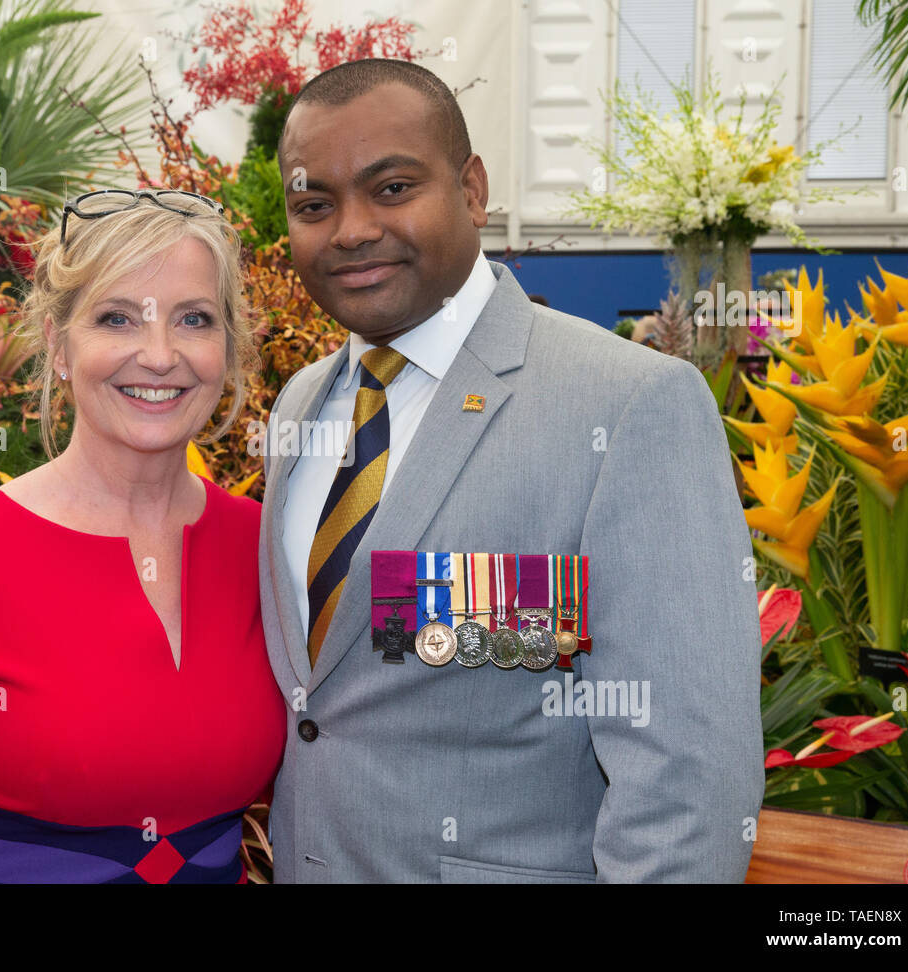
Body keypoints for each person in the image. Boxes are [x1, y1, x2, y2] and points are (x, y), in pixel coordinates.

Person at [259, 59, 763, 883]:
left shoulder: (629, 404)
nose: (349, 229)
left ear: (472, 190)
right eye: (315, 205)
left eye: (391, 189)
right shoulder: (300, 407)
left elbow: (686, 781)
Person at [0, 189, 286, 883]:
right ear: (58, 345)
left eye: (193, 319)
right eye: (116, 318)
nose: (160, 355)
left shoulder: (264, 545)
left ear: (228, 346)